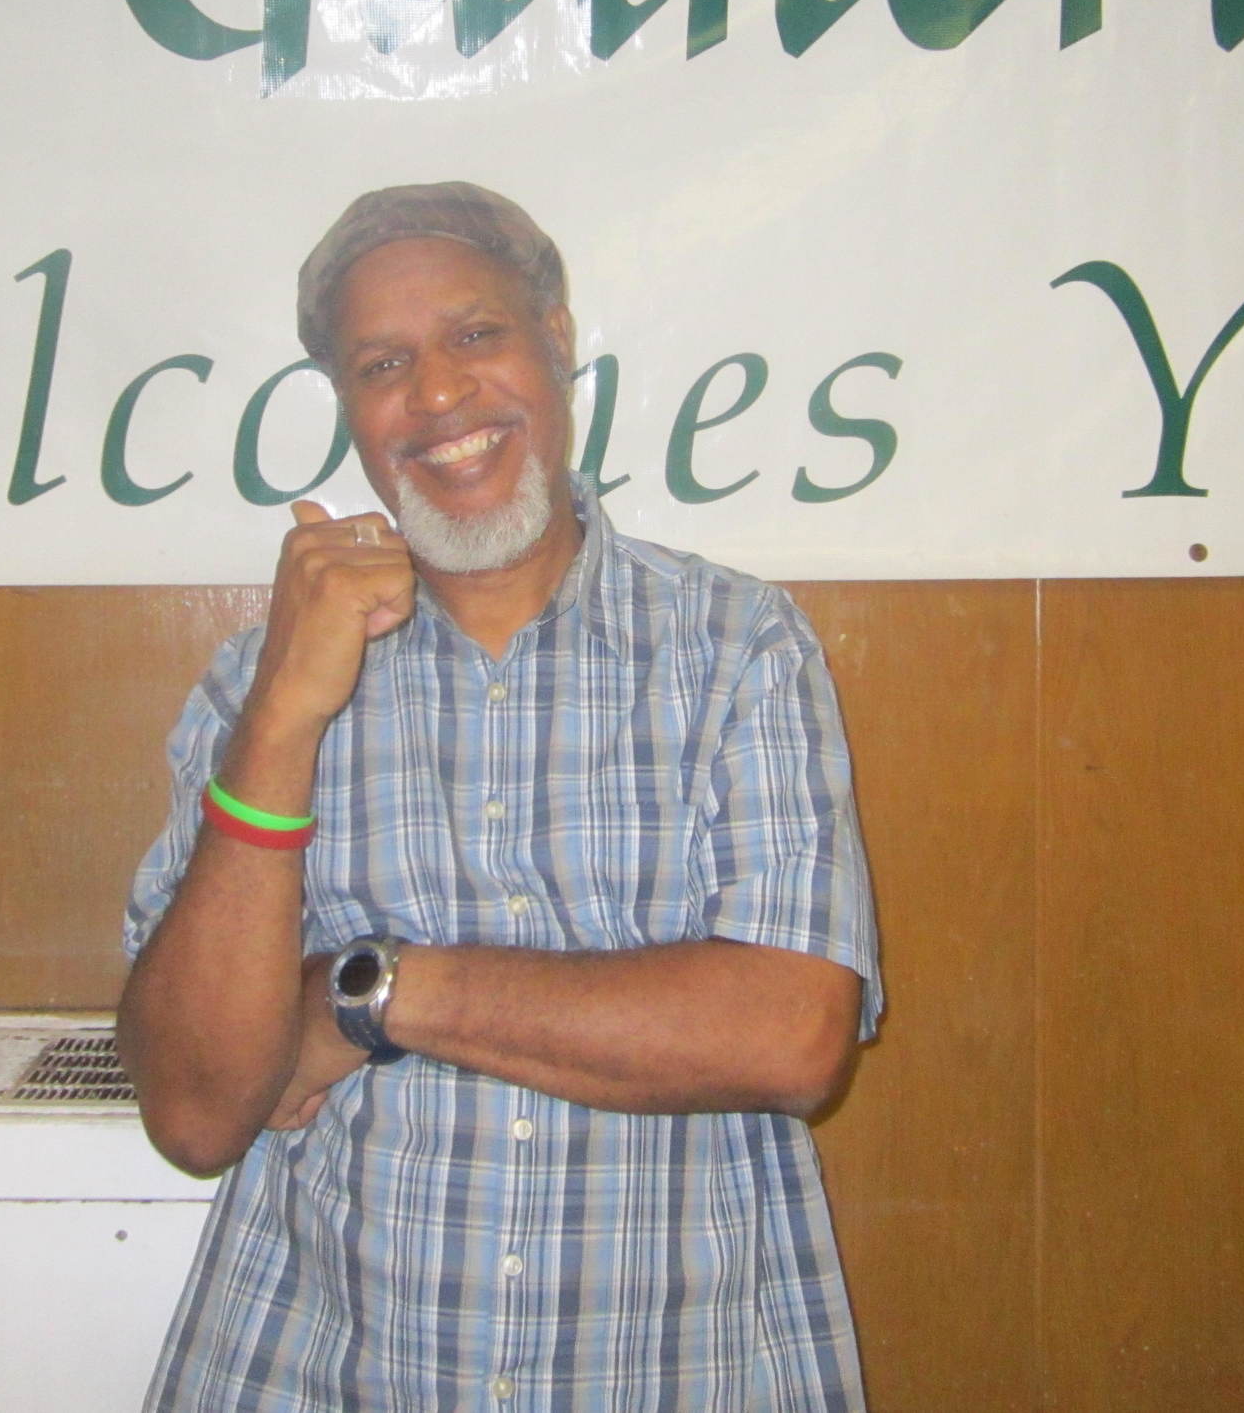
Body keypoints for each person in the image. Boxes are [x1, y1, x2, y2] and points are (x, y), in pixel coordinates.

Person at [116, 181, 882, 1411]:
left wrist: (371, 991)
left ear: (558, 341)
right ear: (351, 410)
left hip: (676, 1378)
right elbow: (198, 1112)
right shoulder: (251, 689)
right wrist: (281, 722)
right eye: (383, 363)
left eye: (476, 335)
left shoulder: (738, 645)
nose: (436, 396)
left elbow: (790, 1034)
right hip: (315, 1372)